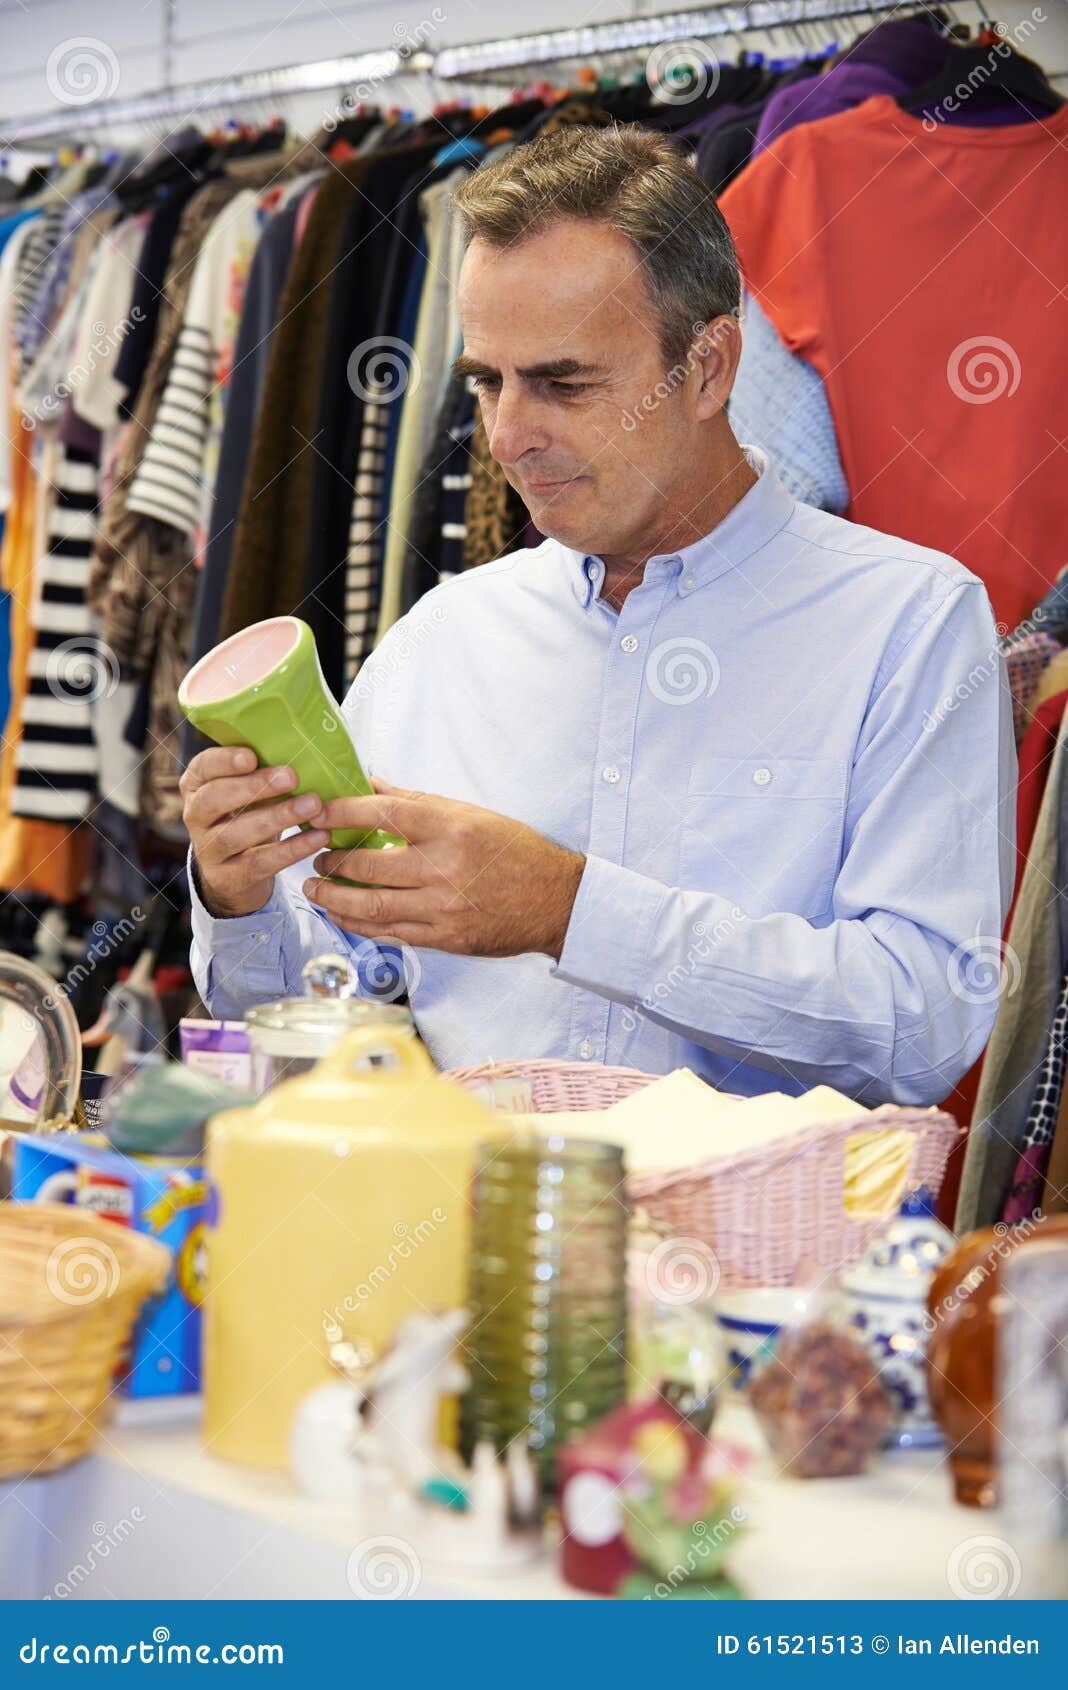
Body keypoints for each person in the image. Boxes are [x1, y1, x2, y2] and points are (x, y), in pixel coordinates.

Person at [183, 124, 1015, 1105]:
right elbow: (323, 1018)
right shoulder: (441, 643)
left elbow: (925, 1025)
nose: (503, 435)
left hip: (768, 1250)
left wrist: (573, 911)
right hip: (458, 1235)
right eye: (486, 379)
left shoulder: (909, 625)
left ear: (708, 368)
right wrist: (237, 900)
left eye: (562, 383)